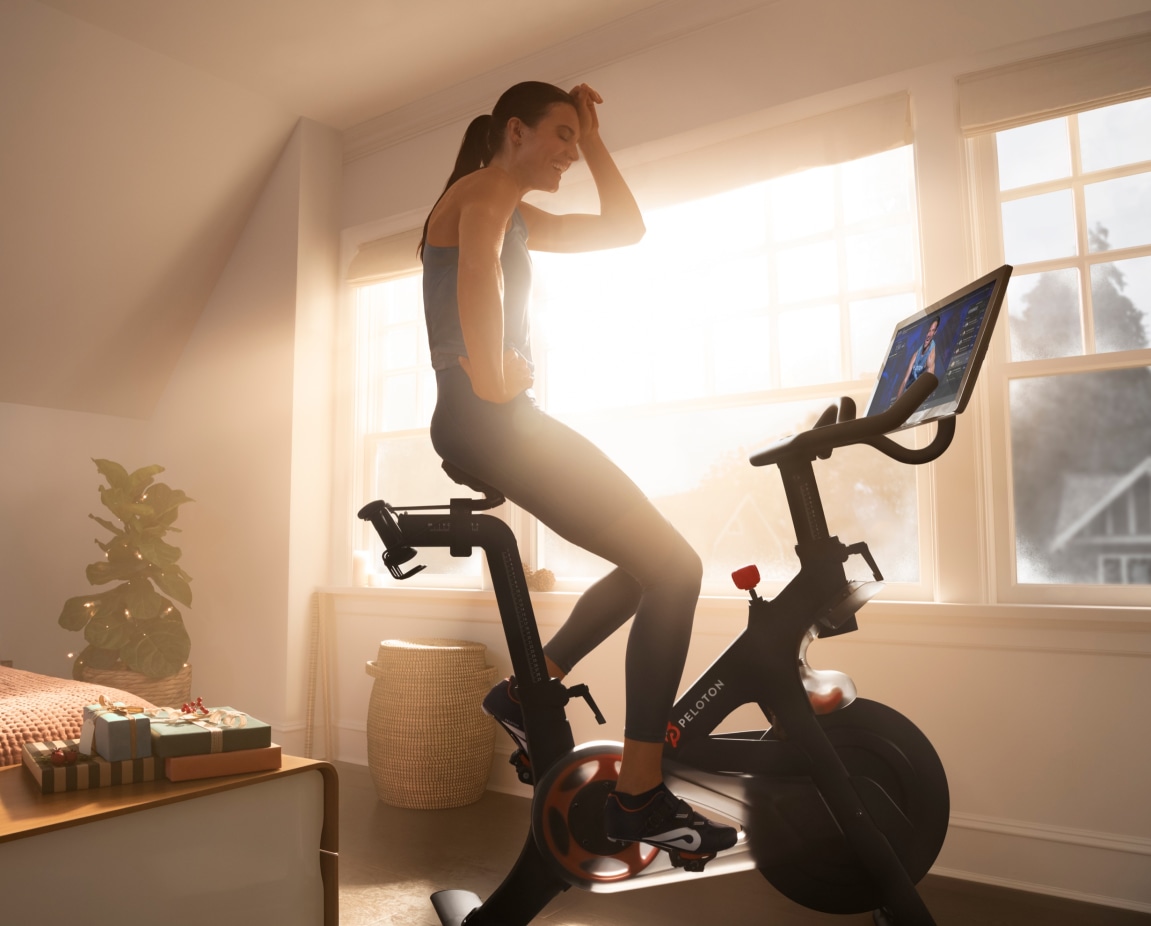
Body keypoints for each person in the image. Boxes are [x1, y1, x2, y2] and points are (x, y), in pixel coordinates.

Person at [419, 79, 736, 857]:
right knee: (677, 569)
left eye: (574, 140)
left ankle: (528, 690)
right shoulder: (487, 186)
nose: (566, 152)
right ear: (514, 131)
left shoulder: (515, 208)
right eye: (559, 136)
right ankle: (637, 797)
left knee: (651, 561)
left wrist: (594, 136)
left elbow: (625, 229)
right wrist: (492, 376)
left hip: (491, 418)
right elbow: (476, 275)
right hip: (491, 416)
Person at [897, 316, 939, 397]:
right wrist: (896, 406)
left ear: (935, 332)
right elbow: (905, 380)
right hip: (908, 392)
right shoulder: (916, 355)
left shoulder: (931, 355)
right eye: (928, 331)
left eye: (932, 331)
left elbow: (930, 382)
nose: (929, 334)